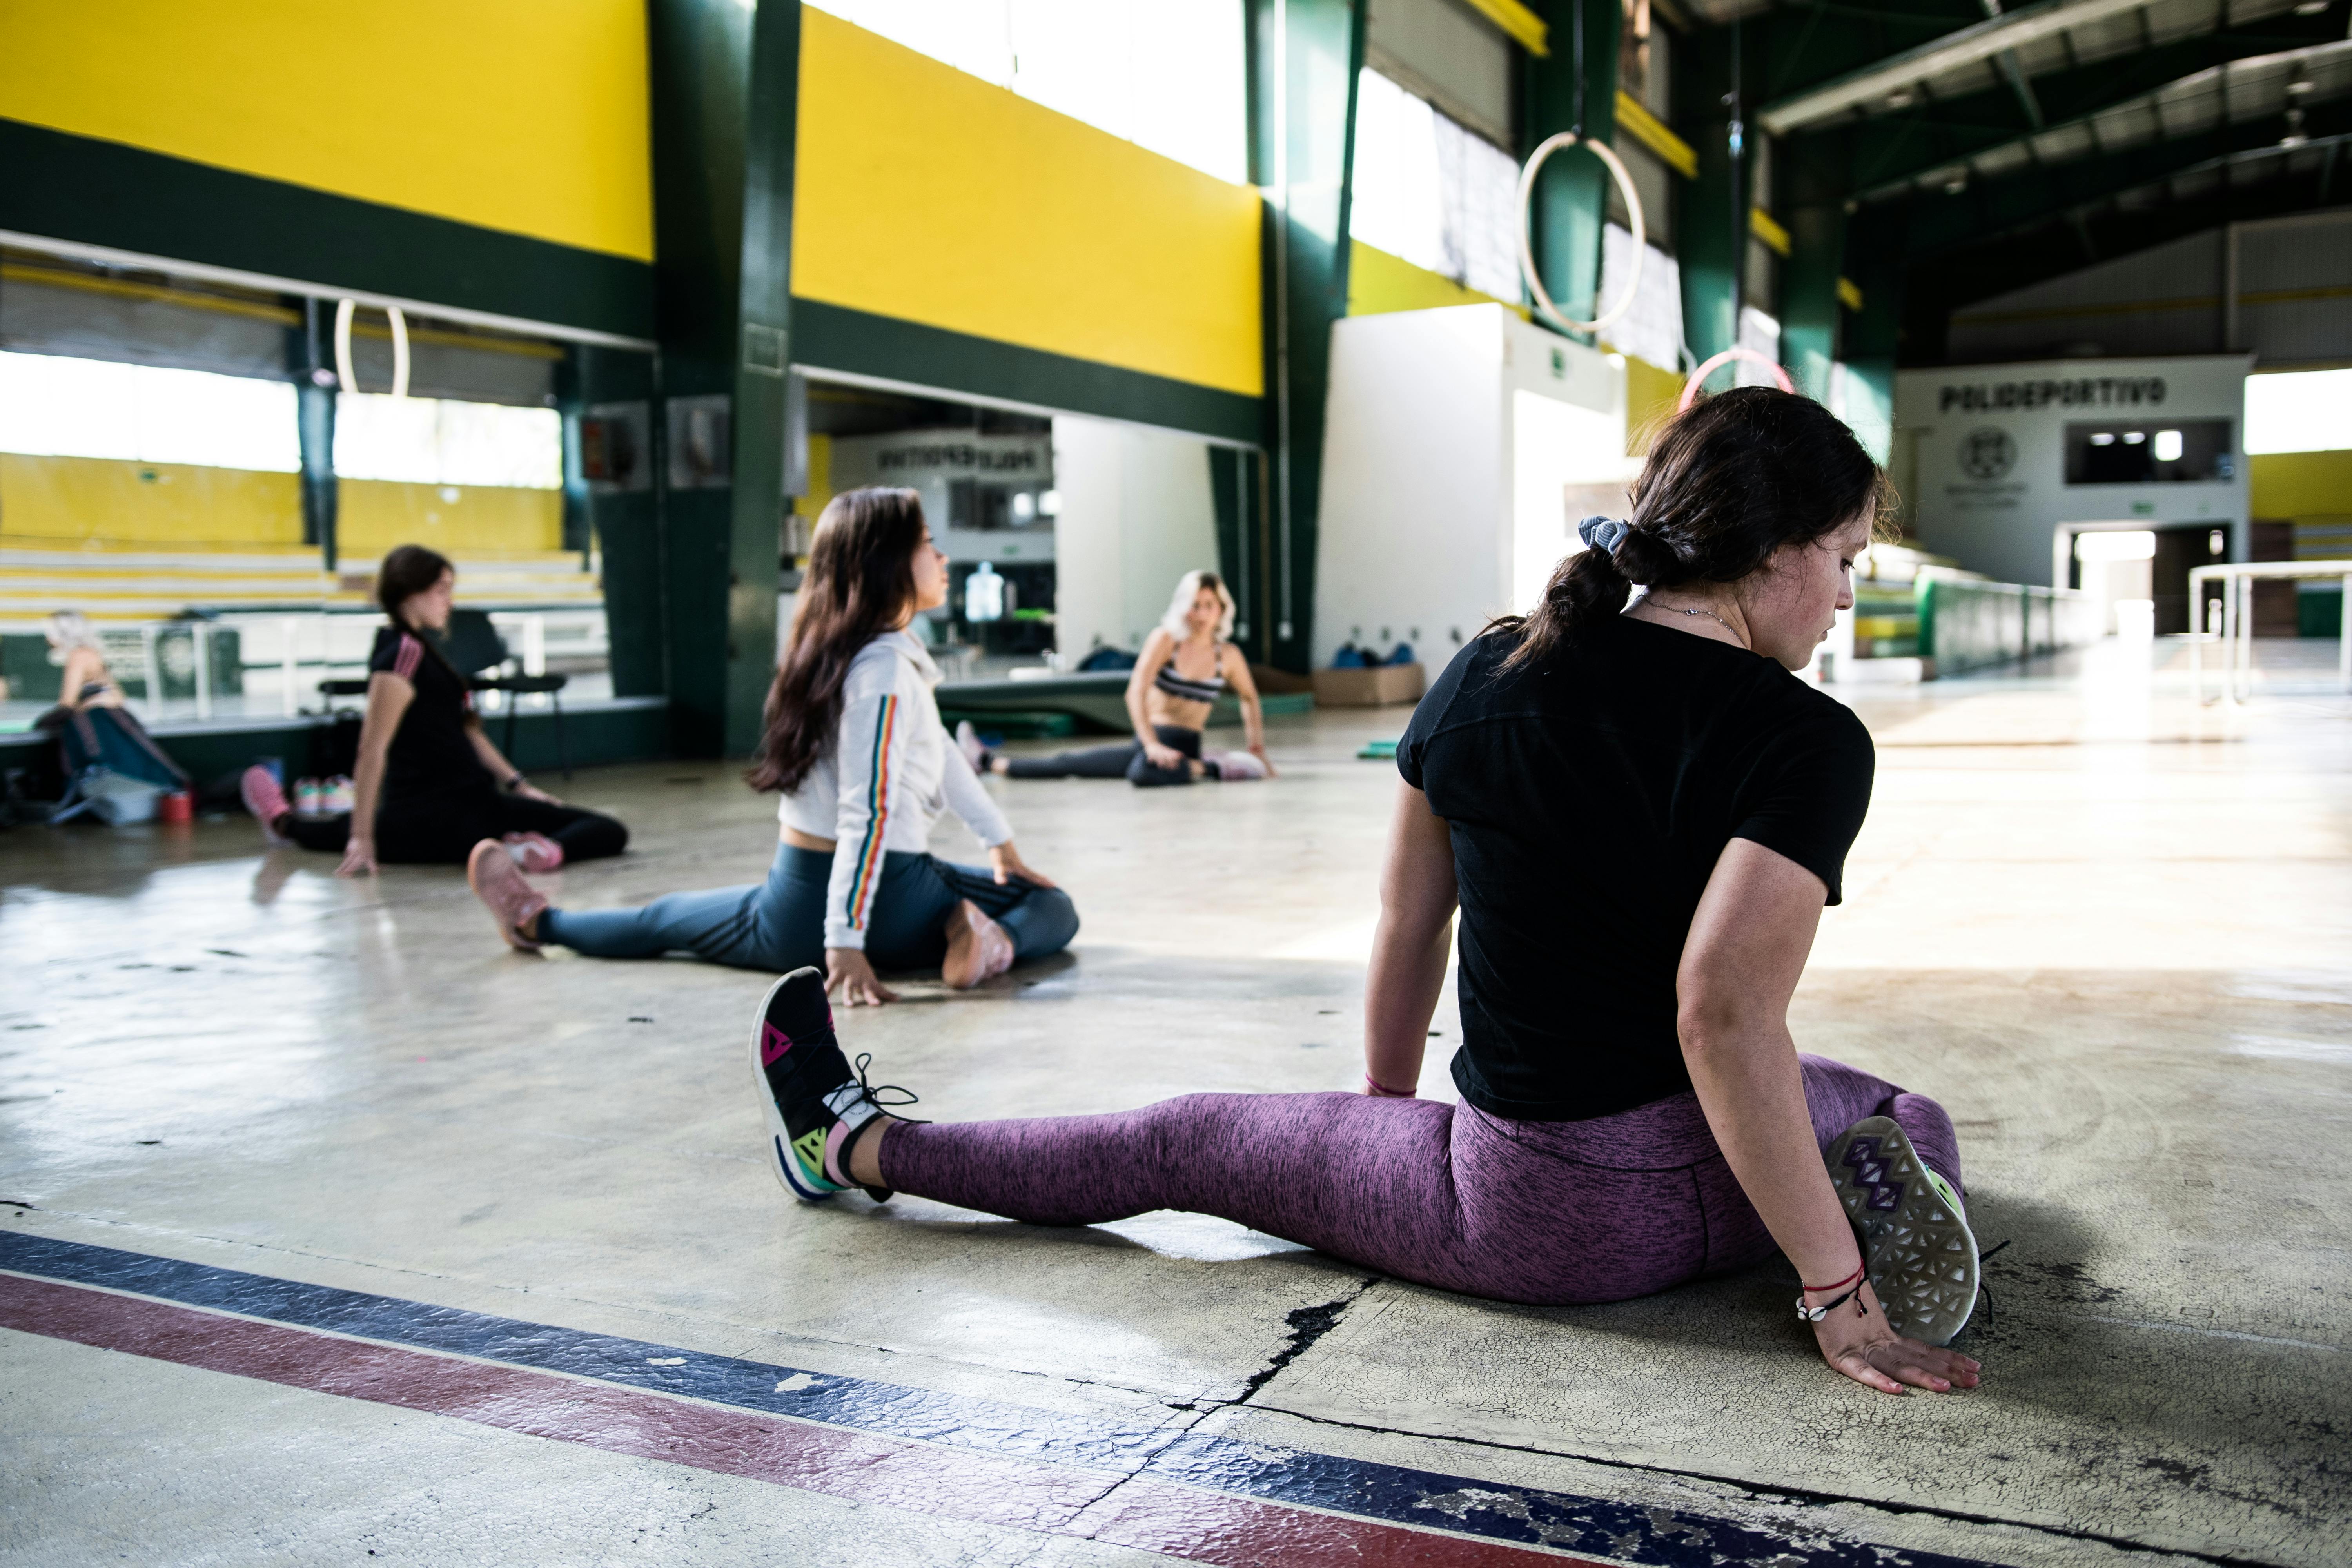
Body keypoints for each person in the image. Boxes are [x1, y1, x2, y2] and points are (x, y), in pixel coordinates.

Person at [743, 388, 1985, 1396]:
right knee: (1888, 1100)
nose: (1840, 594)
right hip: (1726, 1189)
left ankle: (849, 1143)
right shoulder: (1808, 738)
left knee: (1179, 1138)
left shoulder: (1494, 667)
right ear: (1769, 552)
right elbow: (1725, 1025)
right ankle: (1881, 1217)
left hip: (1540, 1215)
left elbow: (1412, 918)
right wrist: (1834, 1288)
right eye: (1838, 559)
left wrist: (1385, 1117)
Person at [472, 487, 1078, 1000]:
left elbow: (942, 754)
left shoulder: (828, 659)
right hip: (886, 900)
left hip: (793, 902)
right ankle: (987, 941)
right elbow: (867, 813)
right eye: (927, 543)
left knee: (664, 919)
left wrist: (998, 842)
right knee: (1051, 908)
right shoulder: (885, 672)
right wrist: (845, 940)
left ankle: (538, 921)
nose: (943, 557)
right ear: (887, 560)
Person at [240, 545, 628, 875]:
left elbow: (469, 732)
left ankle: (537, 852)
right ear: (411, 592)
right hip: (426, 814)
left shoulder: (427, 654)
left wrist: (521, 786)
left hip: (476, 804)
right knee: (336, 831)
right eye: (441, 590)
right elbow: (371, 750)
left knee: (606, 830)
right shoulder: (400, 656)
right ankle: (282, 821)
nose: (449, 601)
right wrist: (362, 836)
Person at [964, 570, 1273, 786]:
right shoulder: (1166, 640)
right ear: (1184, 608)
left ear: (1222, 610)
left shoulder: (1228, 655)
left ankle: (1207, 766)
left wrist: (1256, 747)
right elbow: (1135, 691)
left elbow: (1249, 697)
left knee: (1143, 774)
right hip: (1149, 742)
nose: (1203, 614)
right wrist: (1152, 745)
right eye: (1196, 605)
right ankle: (985, 761)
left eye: (1210, 606)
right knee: (1071, 763)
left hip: (1185, 746)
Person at [42, 612, 125, 711]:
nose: (47, 639)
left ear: (63, 633)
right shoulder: (91, 653)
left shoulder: (79, 656)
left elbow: (67, 703)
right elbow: (118, 696)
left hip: (98, 717)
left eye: (50, 632)